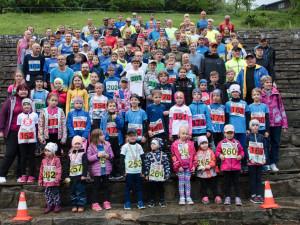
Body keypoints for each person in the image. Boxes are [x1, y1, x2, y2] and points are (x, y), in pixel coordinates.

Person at [0, 84, 31, 183]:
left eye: (25, 90)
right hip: (12, 131)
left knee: (22, 154)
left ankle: (19, 175)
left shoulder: (31, 102)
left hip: (25, 132)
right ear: (17, 91)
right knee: (10, 153)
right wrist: (1, 129)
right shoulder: (11, 100)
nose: (23, 92)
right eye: (21, 90)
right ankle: (1, 174)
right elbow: (3, 114)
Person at [260, 76, 288, 172]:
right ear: (262, 84)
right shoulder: (259, 94)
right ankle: (266, 162)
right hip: (264, 123)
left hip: (277, 122)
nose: (269, 84)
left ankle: (273, 162)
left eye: (270, 82)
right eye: (267, 82)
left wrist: (284, 124)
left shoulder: (276, 94)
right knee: (266, 143)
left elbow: (281, 108)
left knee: (275, 143)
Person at [215, 124, 244, 205]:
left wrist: (240, 156)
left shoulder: (237, 143)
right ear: (224, 133)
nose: (230, 134)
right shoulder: (221, 143)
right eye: (228, 133)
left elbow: (242, 151)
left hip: (236, 166)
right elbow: (217, 151)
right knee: (227, 182)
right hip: (226, 166)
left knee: (236, 182)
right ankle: (227, 197)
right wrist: (220, 155)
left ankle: (237, 197)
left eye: (231, 133)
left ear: (234, 133)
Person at [87, 129, 114, 211]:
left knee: (106, 186)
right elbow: (89, 158)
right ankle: (94, 203)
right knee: (96, 186)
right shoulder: (91, 146)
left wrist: (108, 155)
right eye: (101, 135)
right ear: (96, 137)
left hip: (106, 169)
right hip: (97, 170)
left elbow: (112, 155)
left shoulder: (107, 144)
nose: (103, 136)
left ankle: (106, 201)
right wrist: (97, 156)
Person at [225, 84, 249, 172]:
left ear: (239, 93)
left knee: (242, 147)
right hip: (232, 130)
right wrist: (226, 128)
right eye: (233, 92)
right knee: (232, 148)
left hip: (242, 129)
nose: (235, 94)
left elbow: (247, 116)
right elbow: (226, 117)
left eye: (236, 92)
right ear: (231, 93)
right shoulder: (228, 104)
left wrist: (248, 128)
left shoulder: (244, 103)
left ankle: (243, 164)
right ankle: (233, 164)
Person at [120, 128, 146, 210]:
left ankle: (140, 202)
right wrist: (123, 171)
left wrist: (143, 170)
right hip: (129, 171)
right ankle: (127, 202)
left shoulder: (139, 146)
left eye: (134, 135)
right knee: (128, 187)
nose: (132, 137)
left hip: (138, 171)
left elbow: (143, 158)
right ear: (127, 136)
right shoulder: (125, 147)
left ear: (137, 136)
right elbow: (121, 159)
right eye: (130, 136)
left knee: (139, 187)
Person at [171, 126, 197, 205]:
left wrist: (194, 165)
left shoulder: (191, 144)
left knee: (187, 182)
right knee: (181, 182)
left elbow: (194, 155)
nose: (185, 135)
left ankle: (188, 197)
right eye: (183, 133)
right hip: (180, 167)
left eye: (186, 134)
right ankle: (182, 197)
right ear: (179, 134)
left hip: (188, 166)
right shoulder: (175, 144)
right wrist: (178, 166)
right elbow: (173, 156)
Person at [244, 119, 267, 204]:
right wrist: (250, 159)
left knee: (259, 178)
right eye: (253, 125)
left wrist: (265, 159)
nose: (255, 127)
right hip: (252, 162)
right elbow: (246, 148)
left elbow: (264, 148)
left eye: (257, 125)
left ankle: (259, 194)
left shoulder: (261, 137)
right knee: (253, 178)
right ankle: (253, 195)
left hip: (260, 161)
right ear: (250, 127)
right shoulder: (248, 137)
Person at [100, 100, 124, 179]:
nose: (112, 107)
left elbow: (121, 127)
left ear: (116, 107)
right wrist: (102, 137)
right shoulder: (104, 117)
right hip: (108, 139)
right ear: (107, 107)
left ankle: (116, 172)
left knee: (117, 156)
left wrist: (116, 119)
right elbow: (101, 128)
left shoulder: (119, 116)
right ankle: (108, 172)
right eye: (110, 106)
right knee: (108, 156)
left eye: (113, 106)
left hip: (117, 138)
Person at [64, 136, 88, 212]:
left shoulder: (83, 154)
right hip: (72, 177)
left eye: (78, 144)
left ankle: (81, 205)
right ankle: (74, 205)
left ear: (81, 145)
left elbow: (85, 165)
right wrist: (66, 176)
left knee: (80, 191)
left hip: (80, 177)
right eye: (75, 144)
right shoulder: (70, 155)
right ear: (72, 145)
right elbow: (67, 166)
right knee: (73, 192)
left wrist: (84, 175)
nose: (77, 145)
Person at [196, 136, 222, 204]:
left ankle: (216, 195)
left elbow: (213, 160)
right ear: (199, 145)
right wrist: (200, 167)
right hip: (202, 173)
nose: (204, 145)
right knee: (203, 185)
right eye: (202, 143)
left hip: (211, 172)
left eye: (205, 143)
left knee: (213, 185)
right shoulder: (197, 153)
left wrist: (209, 165)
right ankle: (204, 196)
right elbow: (196, 162)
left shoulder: (210, 151)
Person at [144, 138, 170, 207]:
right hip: (152, 176)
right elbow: (147, 165)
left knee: (161, 188)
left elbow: (166, 165)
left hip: (161, 176)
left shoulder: (163, 155)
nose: (152, 145)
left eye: (154, 144)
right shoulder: (149, 155)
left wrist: (167, 174)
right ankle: (151, 200)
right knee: (152, 188)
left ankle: (162, 200)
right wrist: (146, 174)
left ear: (159, 145)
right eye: (151, 143)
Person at [17, 98, 38, 183]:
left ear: (31, 105)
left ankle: (31, 175)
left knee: (32, 157)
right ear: (22, 106)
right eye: (24, 104)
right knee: (23, 157)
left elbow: (36, 127)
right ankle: (23, 175)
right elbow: (19, 127)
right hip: (23, 139)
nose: (26, 106)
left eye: (28, 104)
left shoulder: (35, 115)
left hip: (32, 139)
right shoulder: (20, 116)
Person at [38, 142, 61, 213]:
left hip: (54, 181)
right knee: (48, 194)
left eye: (49, 151)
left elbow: (59, 169)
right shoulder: (43, 160)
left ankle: (57, 205)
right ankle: (49, 205)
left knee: (55, 193)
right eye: (46, 151)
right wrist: (40, 180)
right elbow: (41, 170)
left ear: (53, 152)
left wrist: (57, 179)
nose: (47, 153)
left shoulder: (57, 160)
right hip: (46, 181)